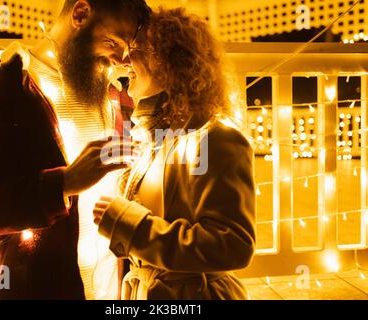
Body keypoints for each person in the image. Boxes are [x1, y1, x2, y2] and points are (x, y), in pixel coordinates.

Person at [0, 0, 151, 300]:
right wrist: (61, 185)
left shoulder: (118, 99)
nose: (120, 60)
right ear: (80, 14)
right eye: (113, 42)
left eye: (127, 50)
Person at [93, 7, 256, 300]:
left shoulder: (215, 138)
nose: (126, 60)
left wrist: (131, 226)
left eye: (138, 49)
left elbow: (233, 245)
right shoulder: (152, 138)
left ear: (171, 60)